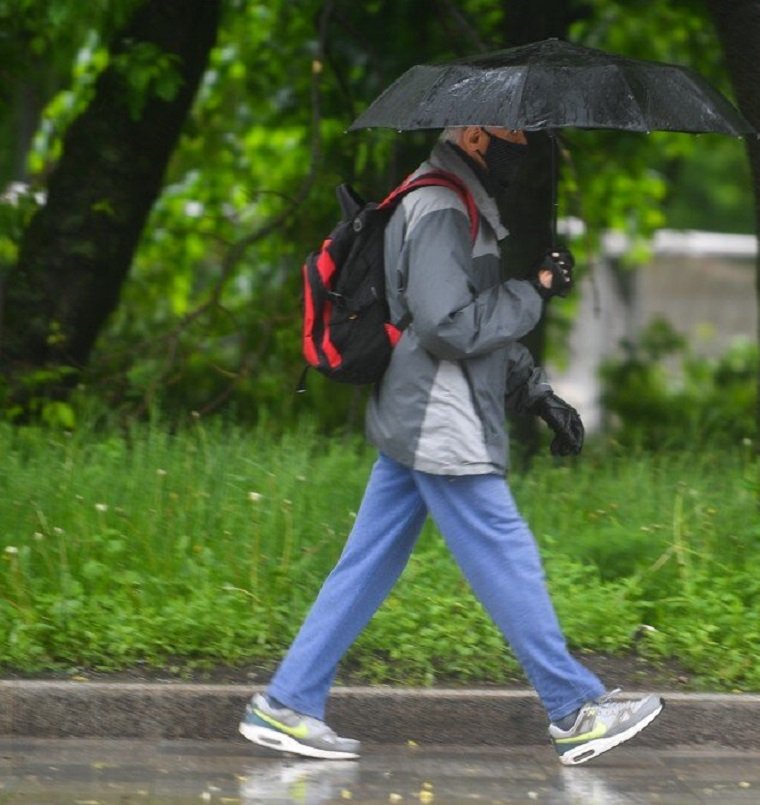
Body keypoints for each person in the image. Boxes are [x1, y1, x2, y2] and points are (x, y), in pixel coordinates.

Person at [238, 125, 663, 765]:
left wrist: (536, 392)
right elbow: (447, 327)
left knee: (368, 563)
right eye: (512, 133)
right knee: (504, 550)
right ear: (471, 134)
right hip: (441, 415)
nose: (522, 144)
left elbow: (470, 318)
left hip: (424, 407)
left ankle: (287, 703)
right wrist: (535, 292)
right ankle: (575, 710)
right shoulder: (440, 206)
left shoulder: (461, 201)